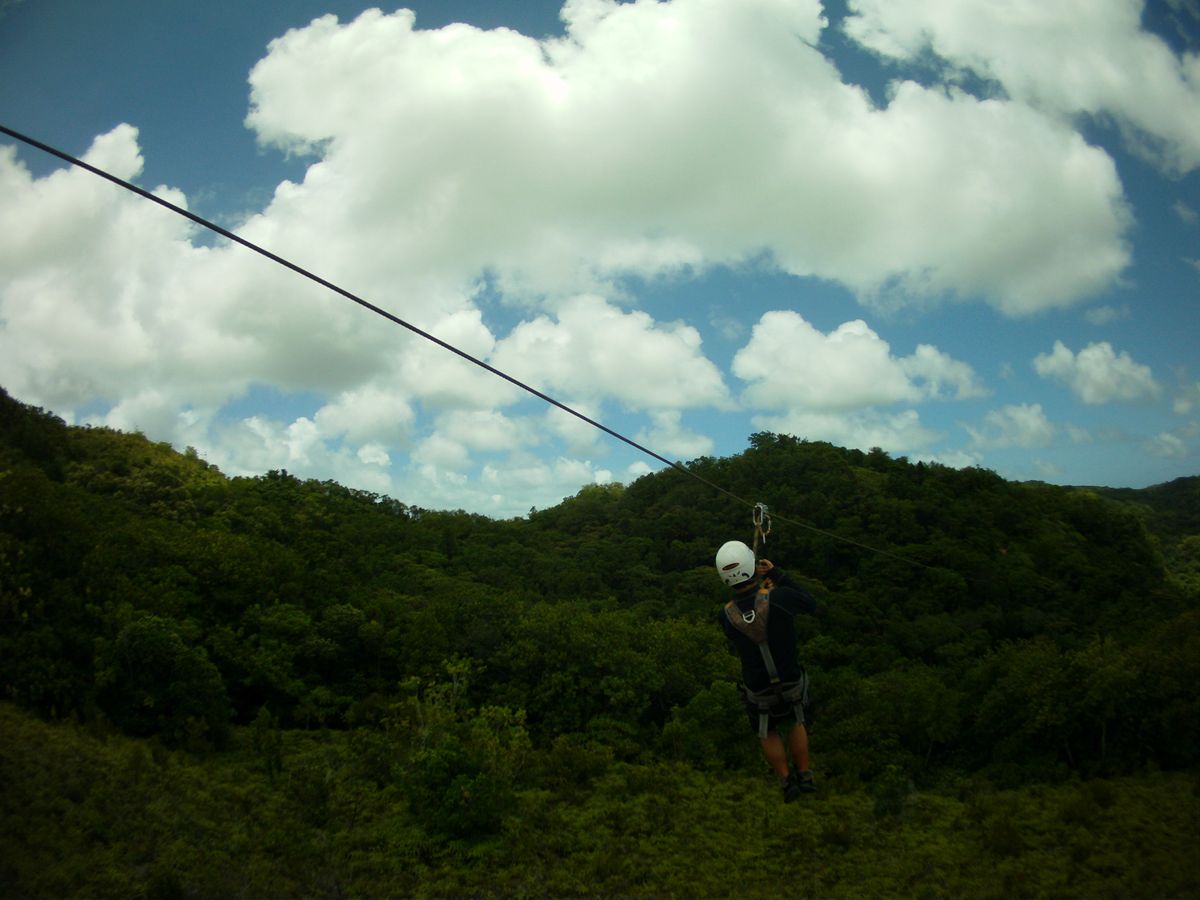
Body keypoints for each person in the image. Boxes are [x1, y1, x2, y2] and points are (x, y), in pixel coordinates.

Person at [715, 539, 817, 802]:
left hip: (759, 690)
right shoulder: (780, 598)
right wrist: (777, 576)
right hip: (789, 681)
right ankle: (805, 776)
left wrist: (763, 595)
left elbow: (749, 619)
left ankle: (786, 783)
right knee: (795, 720)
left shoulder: (726, 617)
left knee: (766, 730)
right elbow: (810, 602)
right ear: (751, 565)